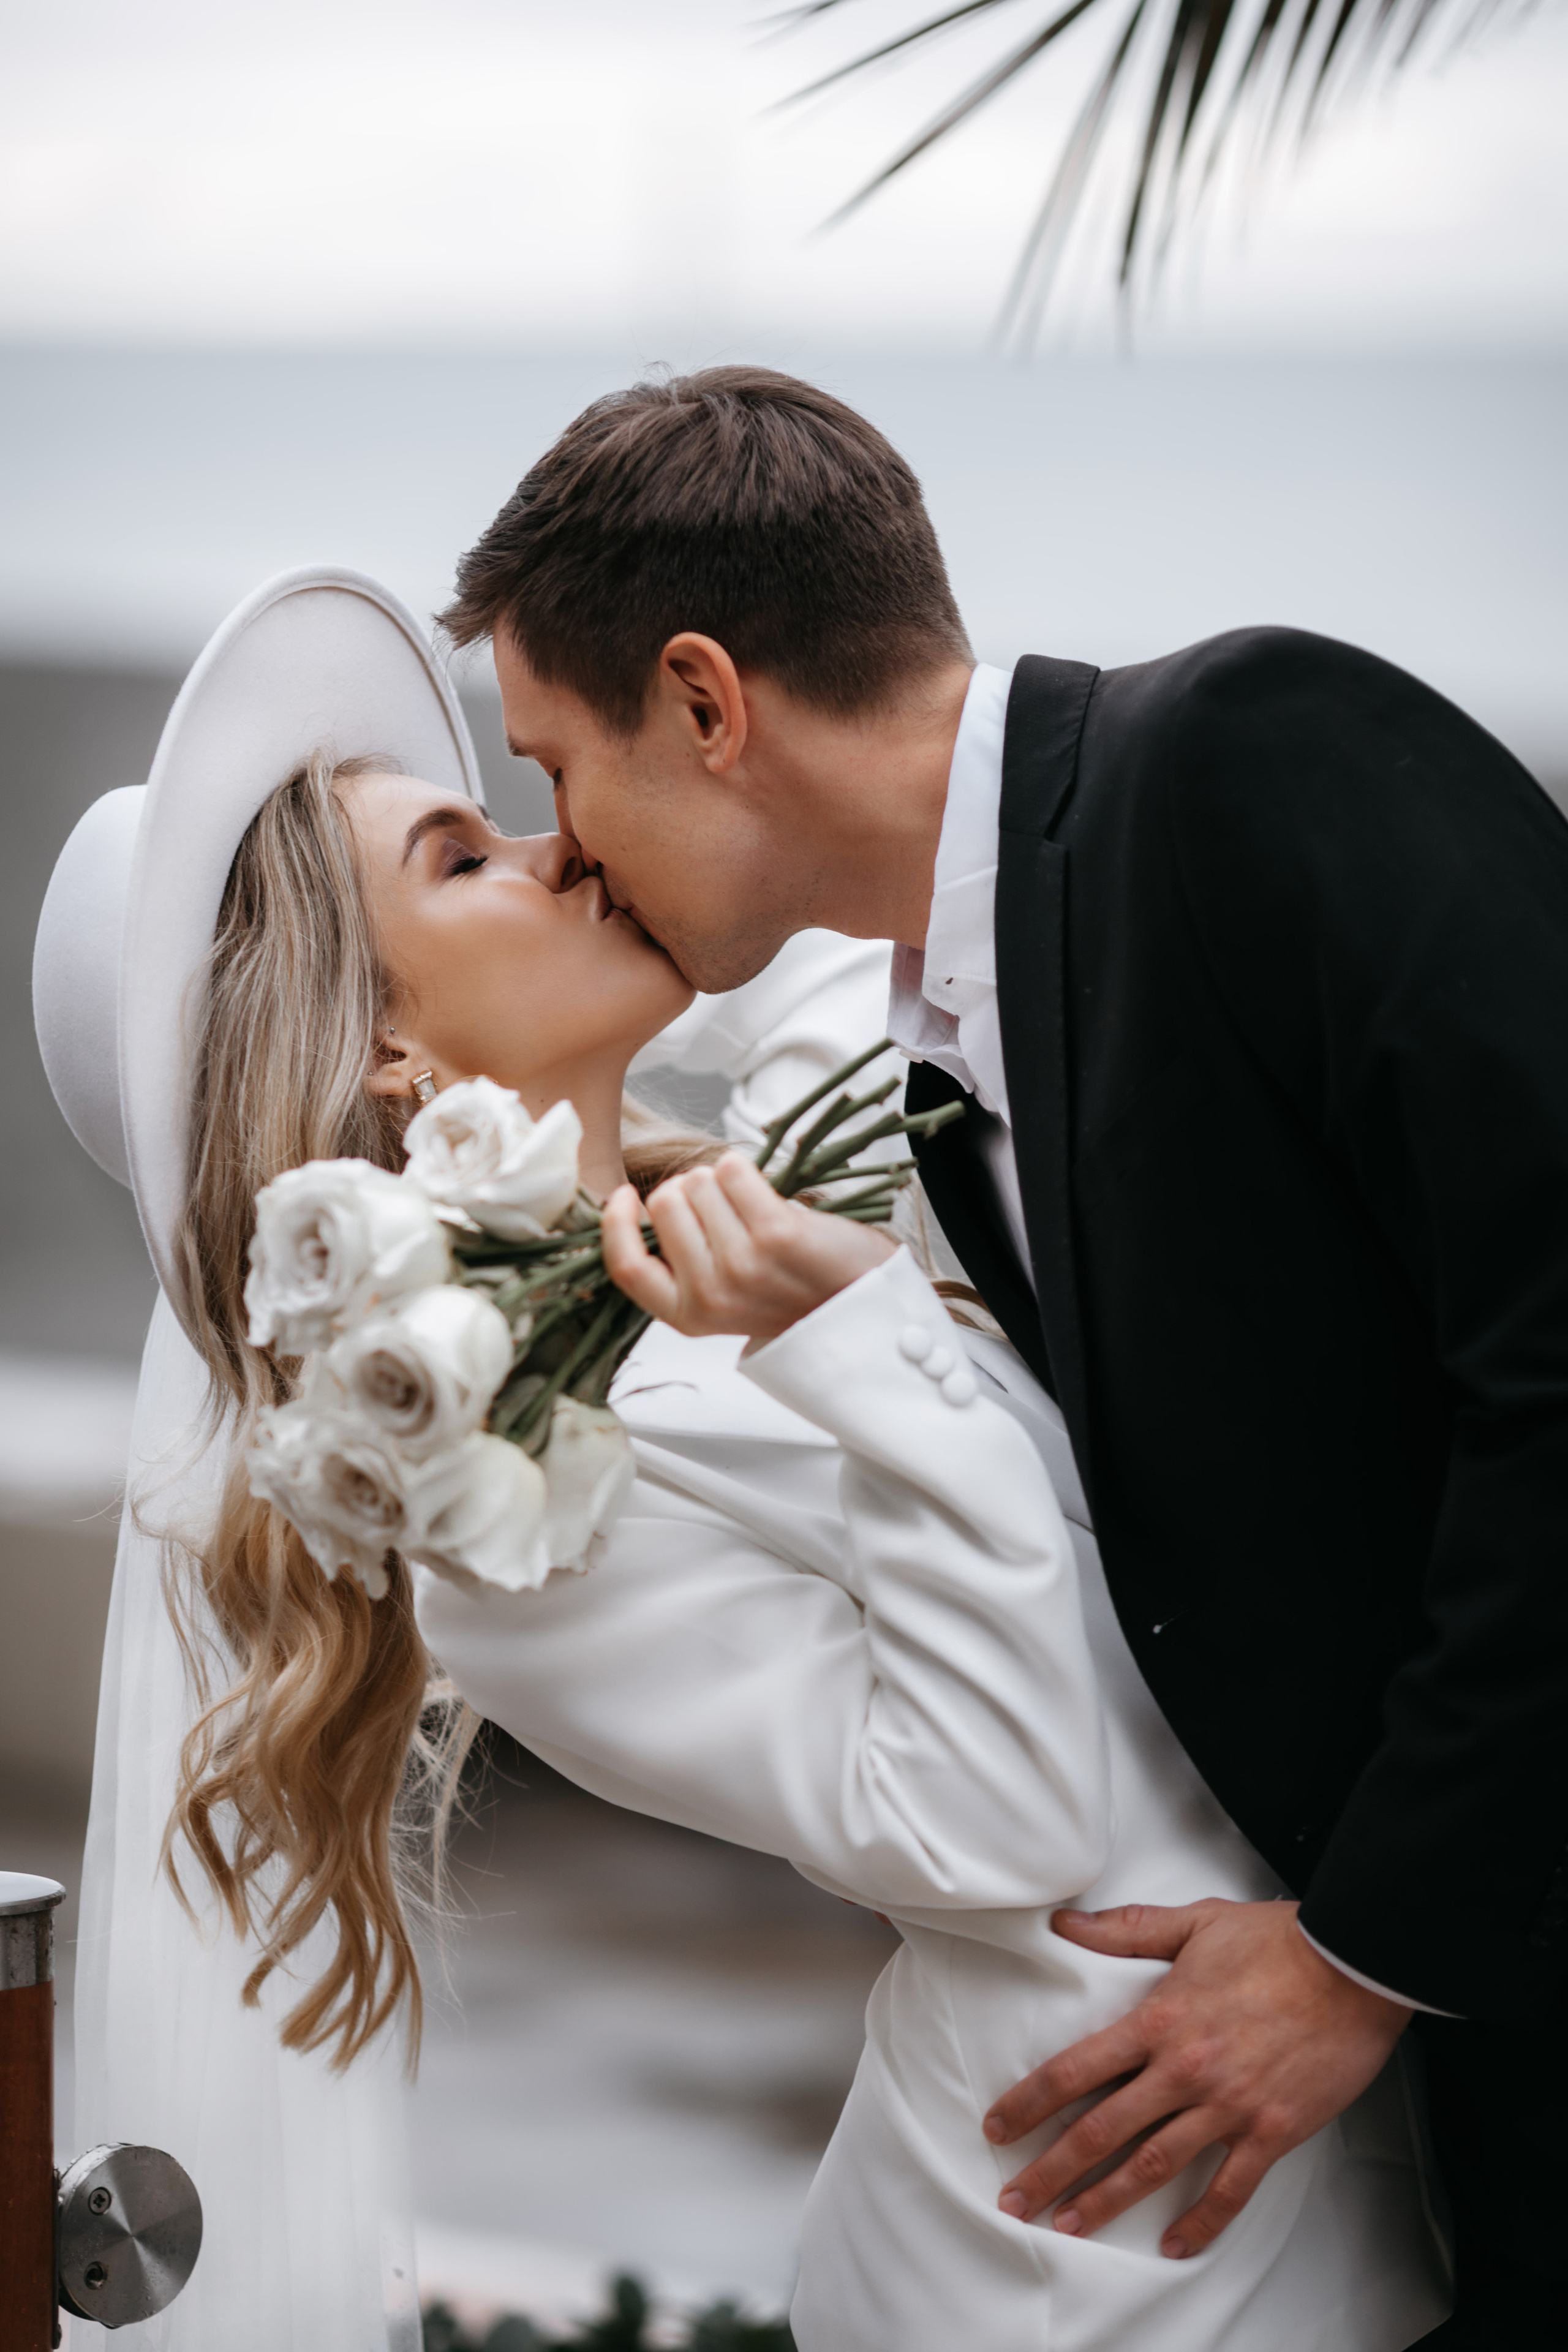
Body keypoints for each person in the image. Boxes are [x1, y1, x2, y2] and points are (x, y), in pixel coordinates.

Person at [34, 568, 1444, 2350]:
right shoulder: (494, 1505)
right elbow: (985, 1817)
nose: (559, 849)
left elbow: (881, 874)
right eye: (465, 859)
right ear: (385, 1048)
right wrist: (864, 1337)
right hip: (1096, 2251)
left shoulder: (778, 1179)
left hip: (1321, 2133)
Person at [440, 365, 1568, 2349]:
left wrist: (1364, 1960)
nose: (571, 844)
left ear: (707, 704)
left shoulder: (1248, 758)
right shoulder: (944, 1083)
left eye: (558, 766)